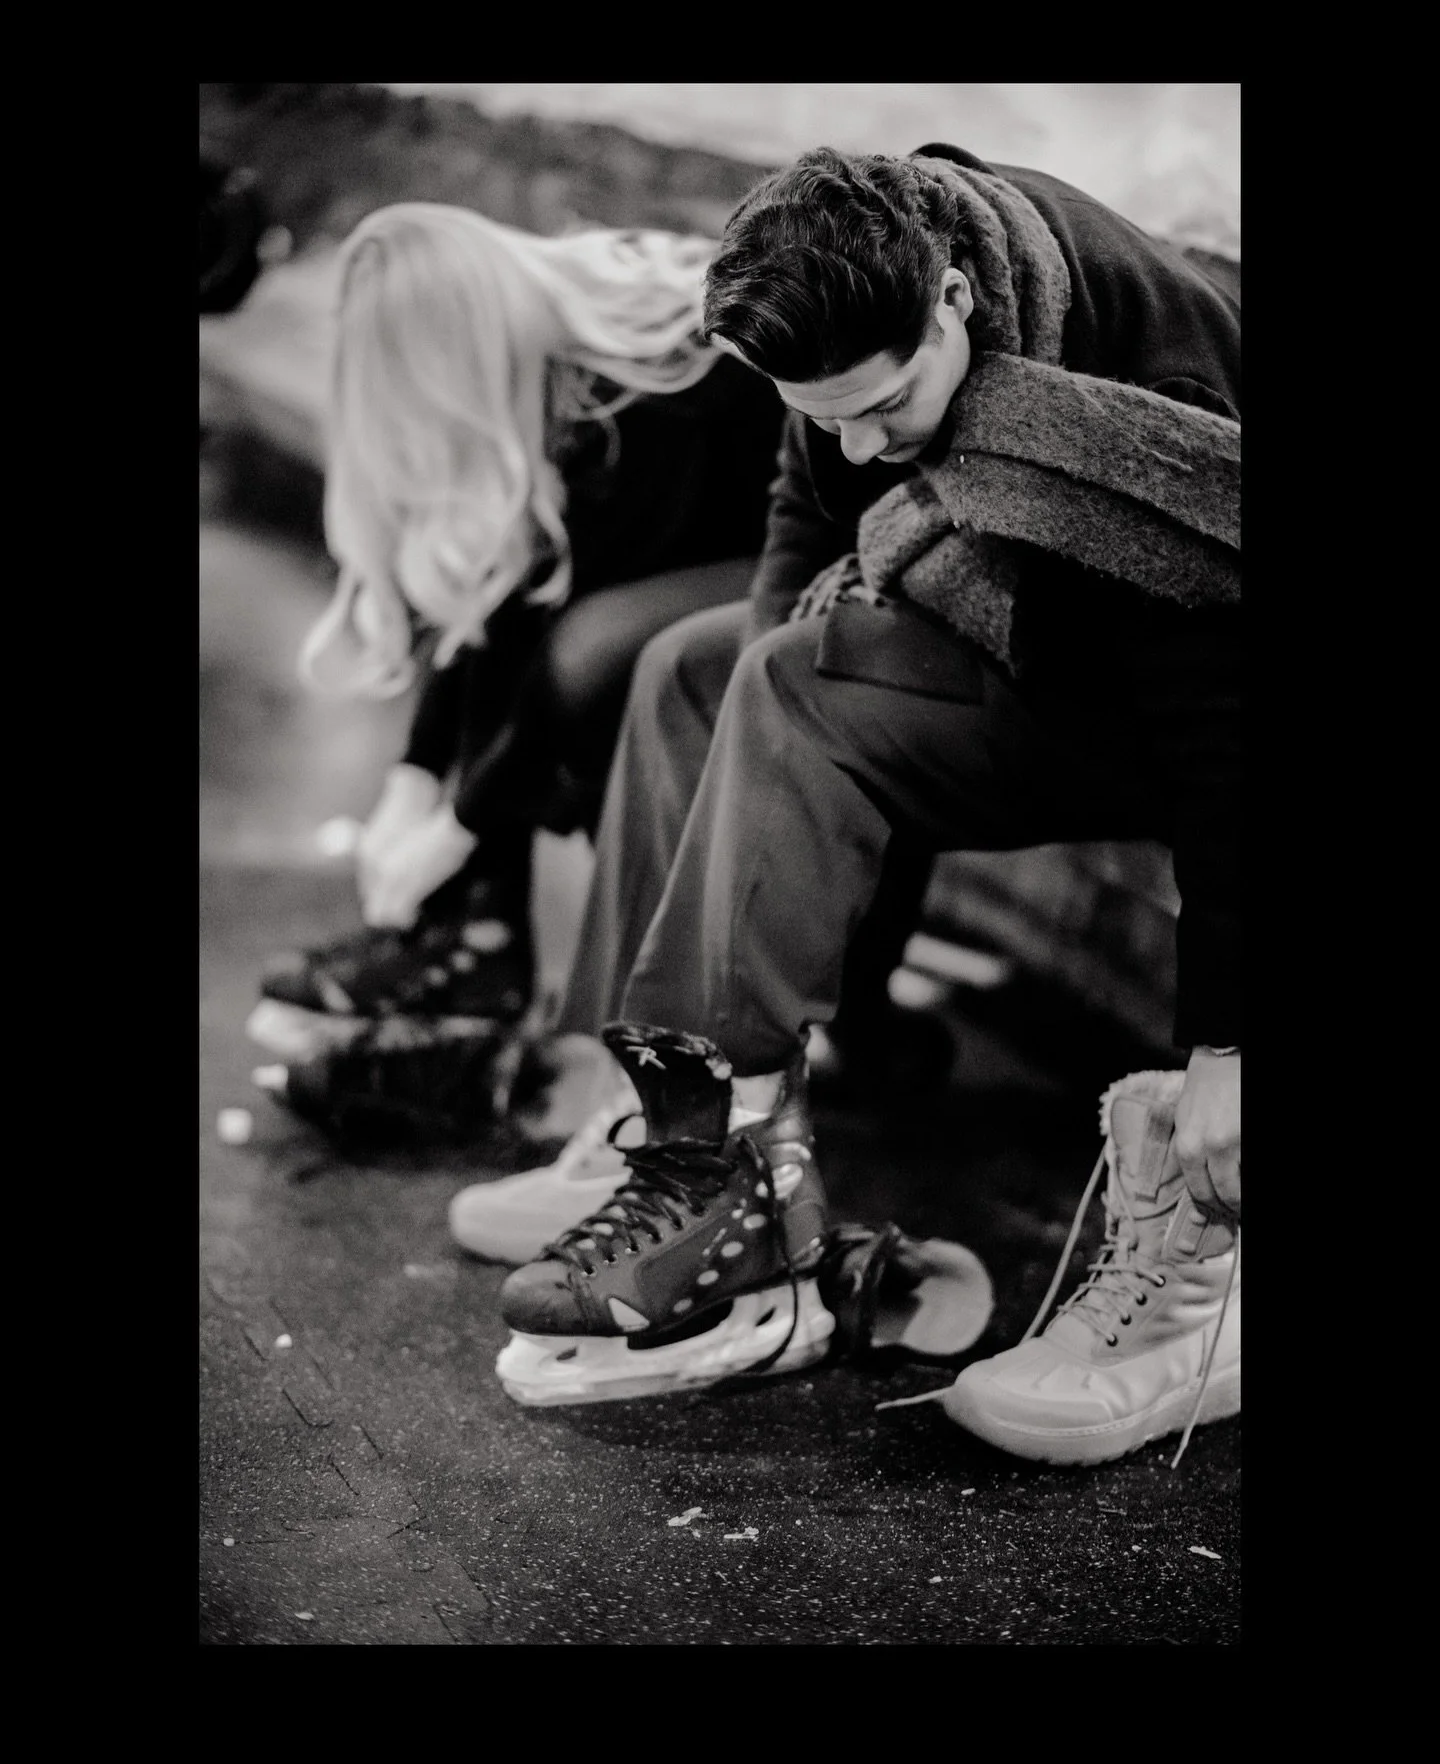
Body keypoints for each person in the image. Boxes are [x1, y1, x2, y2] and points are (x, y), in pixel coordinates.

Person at [476, 144, 1241, 1467]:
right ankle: (669, 1125)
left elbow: (1228, 733)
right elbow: (801, 518)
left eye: (883, 407)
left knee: (790, 683)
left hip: (1162, 694)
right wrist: (765, 730)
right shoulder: (851, 284)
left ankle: (731, 1188)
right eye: (819, 411)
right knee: (704, 669)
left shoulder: (1138, 396)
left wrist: (1227, 1049)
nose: (856, 444)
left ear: (953, 300)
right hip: (1025, 633)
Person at [244, 201, 787, 1120]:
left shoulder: (654, 390)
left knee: (576, 655)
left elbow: (565, 651)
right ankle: (472, 943)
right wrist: (412, 782)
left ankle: (497, 957)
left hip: (793, 573)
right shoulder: (559, 337)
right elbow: (499, 576)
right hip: (677, 586)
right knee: (521, 609)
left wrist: (458, 823)